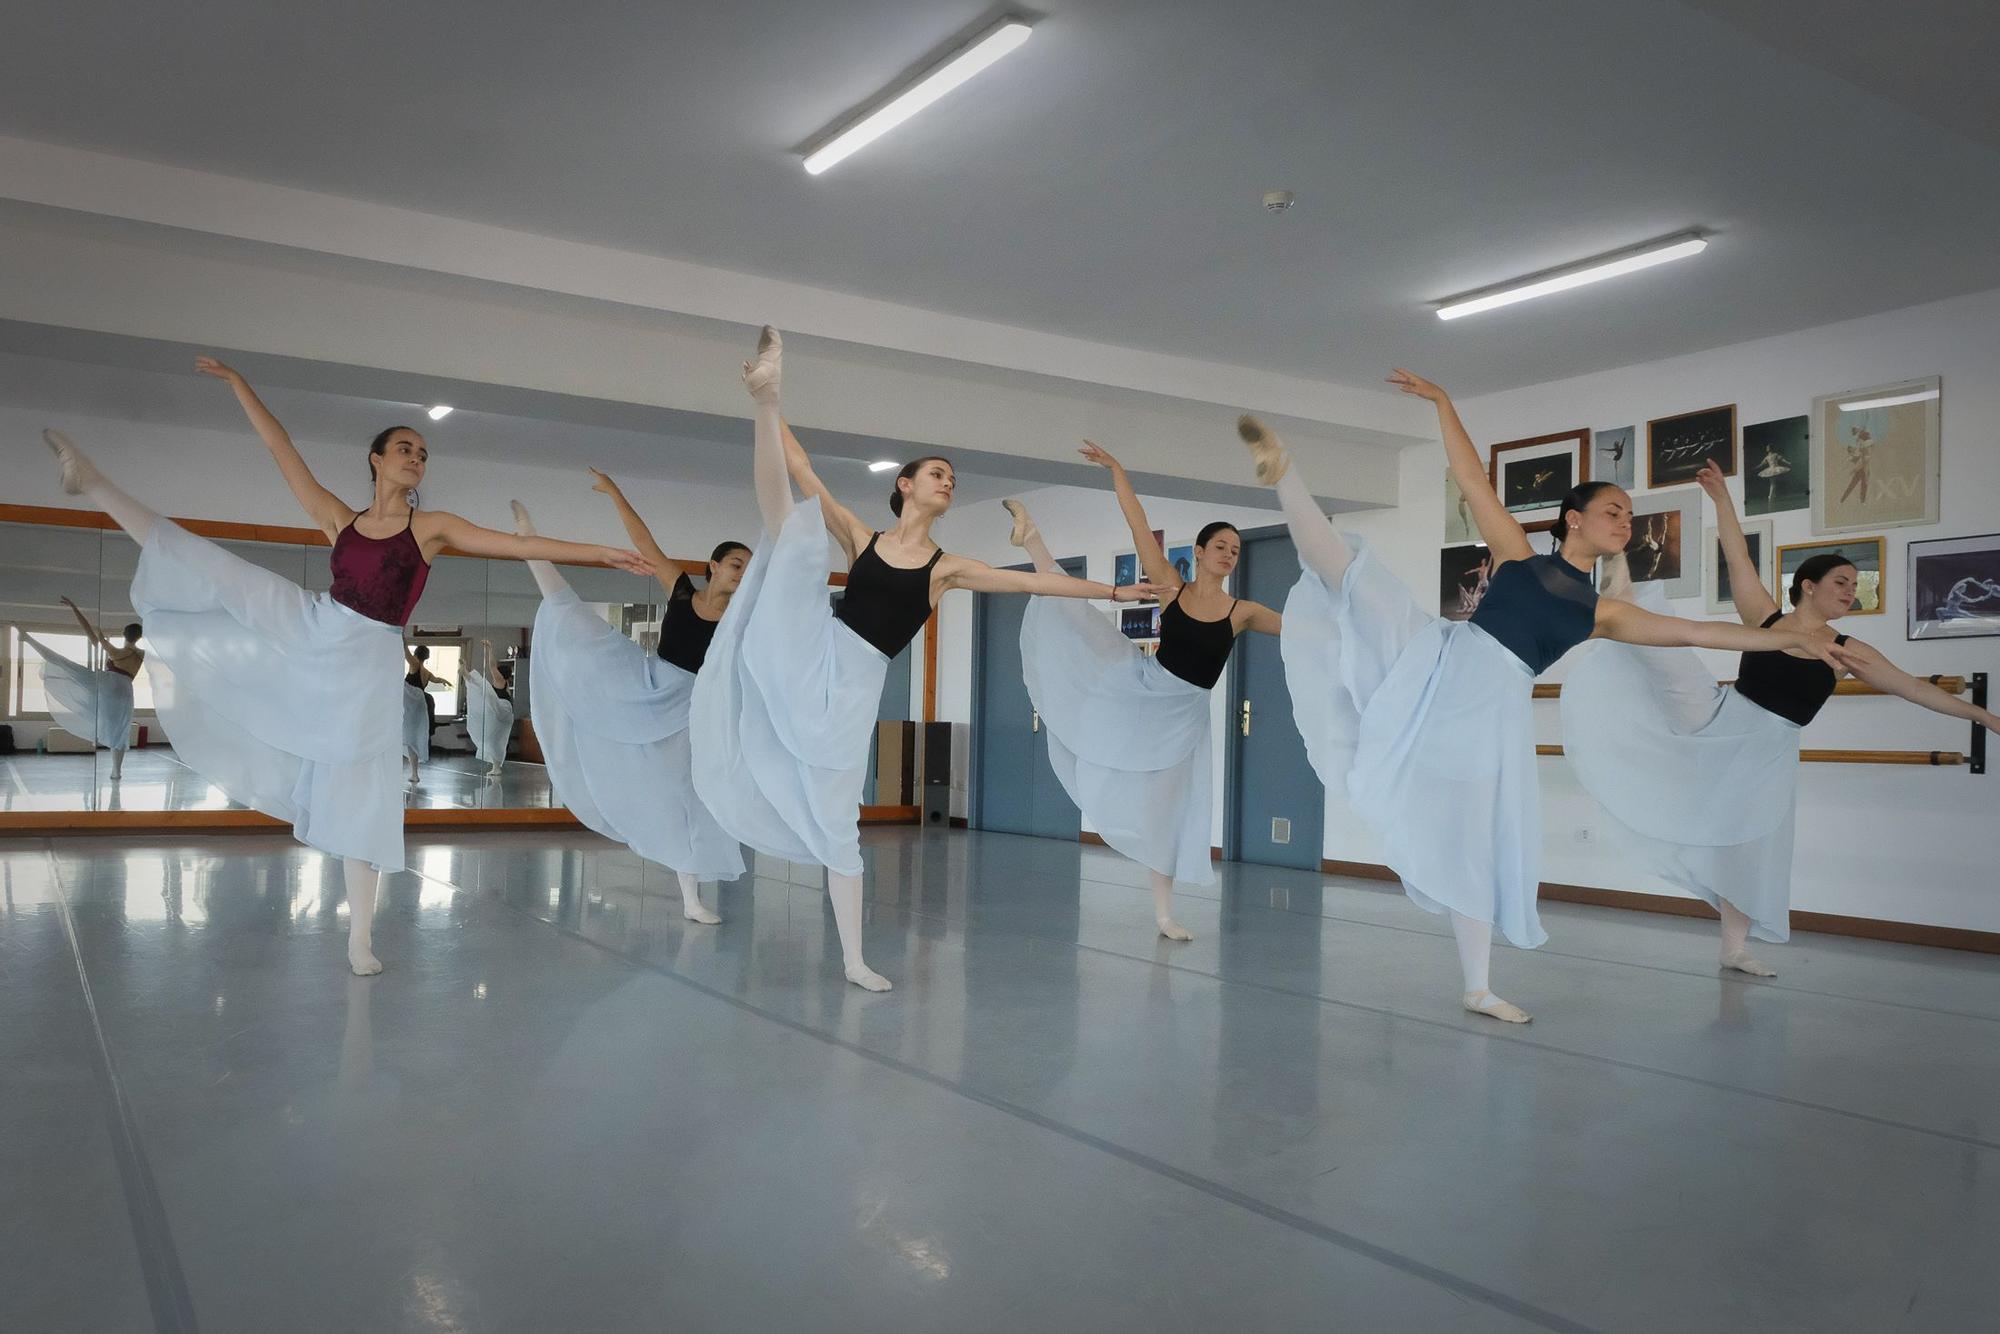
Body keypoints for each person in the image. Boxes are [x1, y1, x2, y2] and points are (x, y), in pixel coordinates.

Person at [1241, 369, 1850, 1022]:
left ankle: (1477, 986)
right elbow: (1473, 480)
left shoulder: (1601, 612)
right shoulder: (1520, 556)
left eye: (1630, 515)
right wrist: (1446, 403)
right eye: (1613, 510)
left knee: (1478, 841)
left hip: (1490, 713)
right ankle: (1286, 475)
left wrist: (1788, 644)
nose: (1625, 521)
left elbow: (1697, 630)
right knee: (1356, 576)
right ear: (1574, 518)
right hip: (1441, 658)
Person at [41, 356, 651, 975]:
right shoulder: (343, 520)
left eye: (423, 453)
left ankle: (360, 936)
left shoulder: (431, 527)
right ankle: (92, 482)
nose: (416, 457)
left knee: (363, 795)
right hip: (315, 623)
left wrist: (597, 551)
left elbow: (518, 545)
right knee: (220, 571)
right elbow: (283, 453)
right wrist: (239, 385)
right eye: (405, 448)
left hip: (366, 660)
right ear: (377, 460)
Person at [691, 328, 1167, 991]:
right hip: (813, 647)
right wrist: (770, 411)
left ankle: (854, 959)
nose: (949, 482)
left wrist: (1112, 590)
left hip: (857, 683)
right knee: (796, 526)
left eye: (953, 478)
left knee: (837, 820)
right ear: (907, 486)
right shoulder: (863, 537)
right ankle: (766, 395)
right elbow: (803, 470)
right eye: (939, 473)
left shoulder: (948, 569)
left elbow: (1034, 583)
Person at [1562, 460, 1999, 974]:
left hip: (1768, 753)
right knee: (1660, 641)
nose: (1849, 591)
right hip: (1719, 717)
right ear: (1807, 585)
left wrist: (1987, 718)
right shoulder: (1765, 616)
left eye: (1853, 585)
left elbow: (1913, 690)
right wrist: (1722, 499)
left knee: (1752, 850)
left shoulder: (1847, 649)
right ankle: (1615, 587)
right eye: (1840, 581)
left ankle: (1734, 948)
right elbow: (1736, 555)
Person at [1005, 439, 1280, 940]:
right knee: (1078, 617)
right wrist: (1117, 470)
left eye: (1235, 550)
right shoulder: (1171, 588)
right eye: (1220, 546)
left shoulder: (1244, 612)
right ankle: (1033, 540)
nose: (1228, 555)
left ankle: (1164, 913)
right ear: (1199, 552)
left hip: (1185, 716)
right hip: (1143, 687)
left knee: (1166, 812)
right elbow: (1138, 527)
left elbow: (1303, 633)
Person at [515, 469, 750, 924]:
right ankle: (532, 547)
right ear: (714, 567)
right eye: (737, 564)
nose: (743, 574)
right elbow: (645, 544)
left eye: (749, 568)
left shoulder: (742, 621)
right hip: (650, 685)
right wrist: (616, 494)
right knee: (582, 632)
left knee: (692, 798)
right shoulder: (682, 590)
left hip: (694, 708)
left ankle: (691, 899)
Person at [26, 595, 144, 779]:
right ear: (139, 637)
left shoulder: (115, 651)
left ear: (124, 634)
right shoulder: (141, 654)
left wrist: (74, 608)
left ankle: (29, 640)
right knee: (119, 731)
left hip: (109, 684)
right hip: (126, 690)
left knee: (67, 667)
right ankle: (117, 771)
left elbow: (90, 631)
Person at [401, 644, 442, 783]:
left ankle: (414, 773)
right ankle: (414, 773)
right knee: (413, 739)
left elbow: (406, 653)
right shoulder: (427, 672)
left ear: (416, 654)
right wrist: (444, 681)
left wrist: (401, 637)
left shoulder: (415, 665)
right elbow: (436, 679)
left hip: (411, 707)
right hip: (420, 706)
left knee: (408, 739)